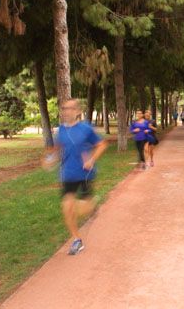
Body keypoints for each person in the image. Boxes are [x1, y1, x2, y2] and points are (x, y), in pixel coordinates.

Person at [42, 99, 108, 255]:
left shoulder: (86, 128)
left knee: (84, 209)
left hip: (85, 174)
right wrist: (50, 160)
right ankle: (76, 239)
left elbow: (102, 144)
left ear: (78, 111)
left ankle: (91, 206)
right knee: (67, 208)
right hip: (67, 174)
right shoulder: (61, 131)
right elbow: (57, 150)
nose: (66, 111)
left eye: (70, 108)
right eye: (64, 108)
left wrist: (92, 159)